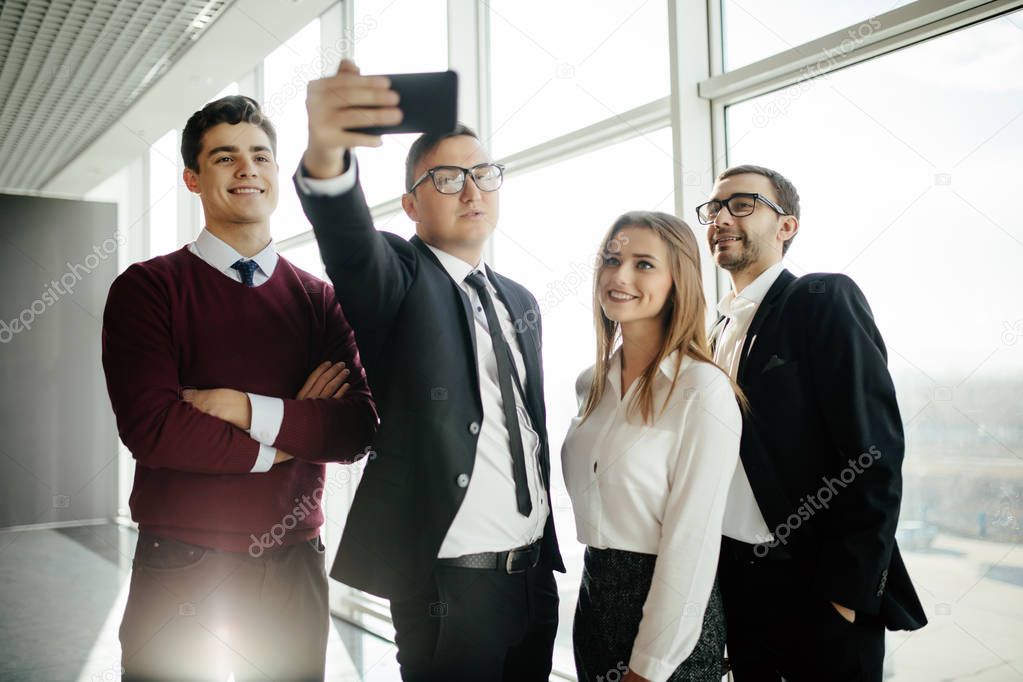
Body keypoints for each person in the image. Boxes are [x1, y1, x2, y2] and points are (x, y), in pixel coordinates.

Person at [295, 59, 564, 681]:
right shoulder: (398, 278)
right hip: (450, 588)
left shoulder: (519, 300)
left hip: (531, 580)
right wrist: (328, 154)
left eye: (482, 173)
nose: (471, 190)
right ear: (411, 204)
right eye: (447, 178)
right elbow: (347, 235)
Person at [102, 95, 377, 681]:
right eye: (225, 158)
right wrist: (290, 434)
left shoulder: (321, 299)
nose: (247, 169)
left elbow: (356, 428)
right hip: (182, 559)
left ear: (277, 173)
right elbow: (156, 432)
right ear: (193, 179)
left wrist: (242, 408)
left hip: (294, 562)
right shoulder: (148, 289)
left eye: (260, 156)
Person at [698, 164, 927, 680]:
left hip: (816, 588)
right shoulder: (713, 329)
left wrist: (844, 596)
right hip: (736, 585)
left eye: (741, 204)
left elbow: (875, 451)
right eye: (714, 208)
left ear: (787, 227)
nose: (721, 218)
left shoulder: (821, 298)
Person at [563, 212, 741, 682]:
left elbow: (692, 543)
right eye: (611, 259)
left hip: (671, 614)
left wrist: (650, 666)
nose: (620, 276)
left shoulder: (702, 389)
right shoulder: (591, 385)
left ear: (677, 280)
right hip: (594, 595)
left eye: (644, 264)